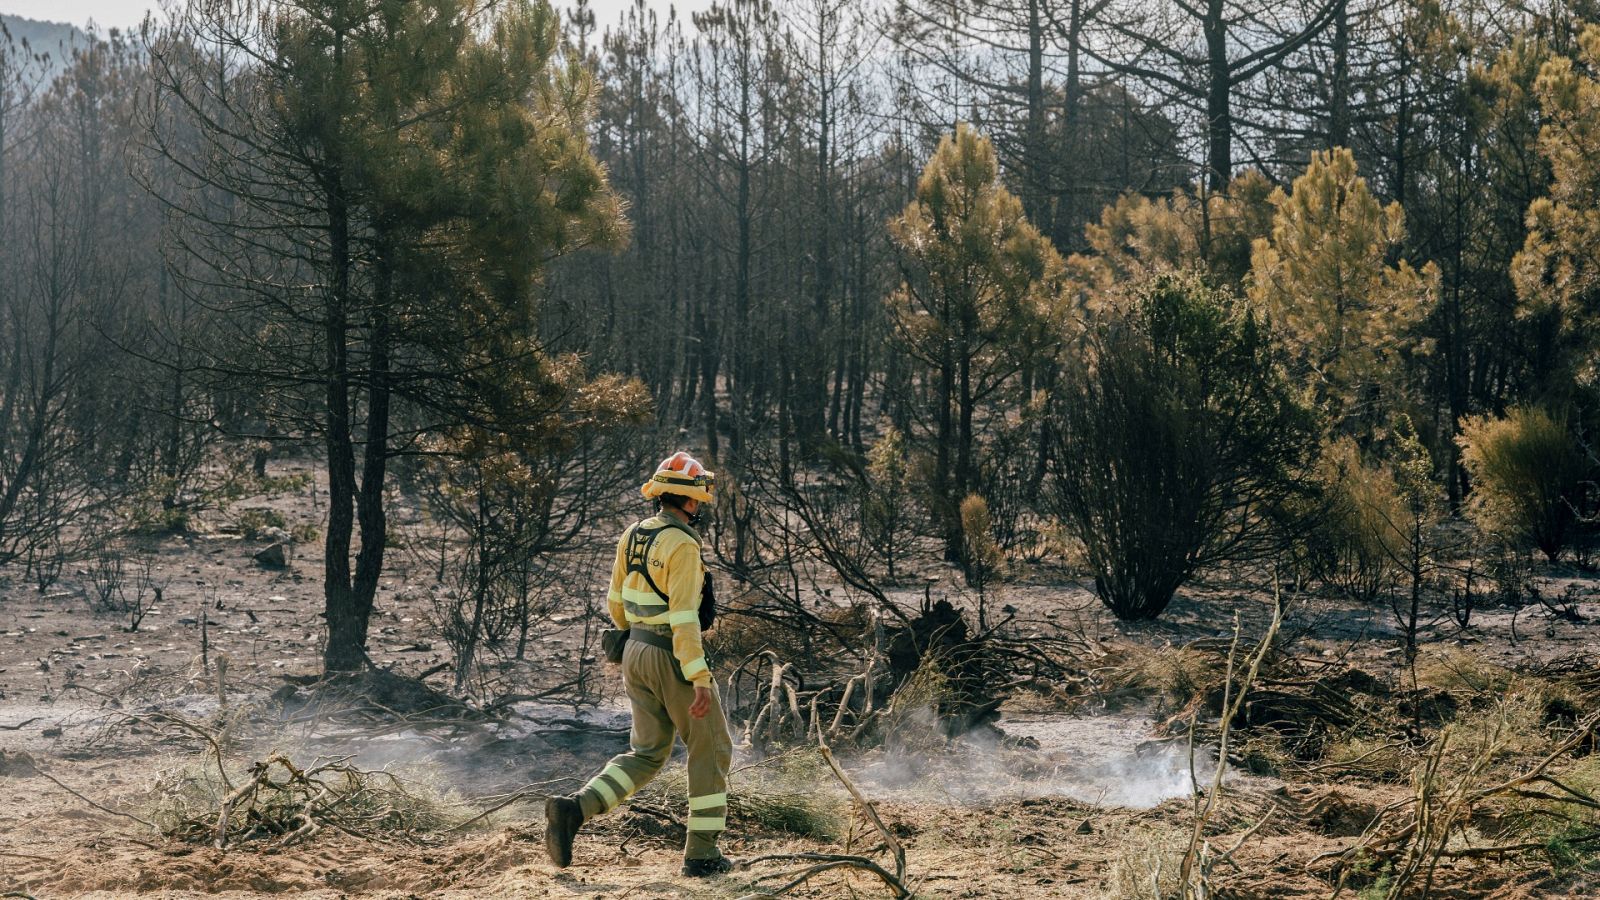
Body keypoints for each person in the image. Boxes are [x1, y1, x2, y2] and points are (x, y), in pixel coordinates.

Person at [544, 451, 735, 877]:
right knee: (712, 750)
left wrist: (641, 636)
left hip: (634, 652)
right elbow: (685, 619)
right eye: (699, 498)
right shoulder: (683, 544)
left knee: (647, 754)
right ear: (687, 499)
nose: (701, 505)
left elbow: (616, 605)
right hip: (672, 656)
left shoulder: (633, 533)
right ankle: (702, 855)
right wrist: (699, 676)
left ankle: (575, 809)